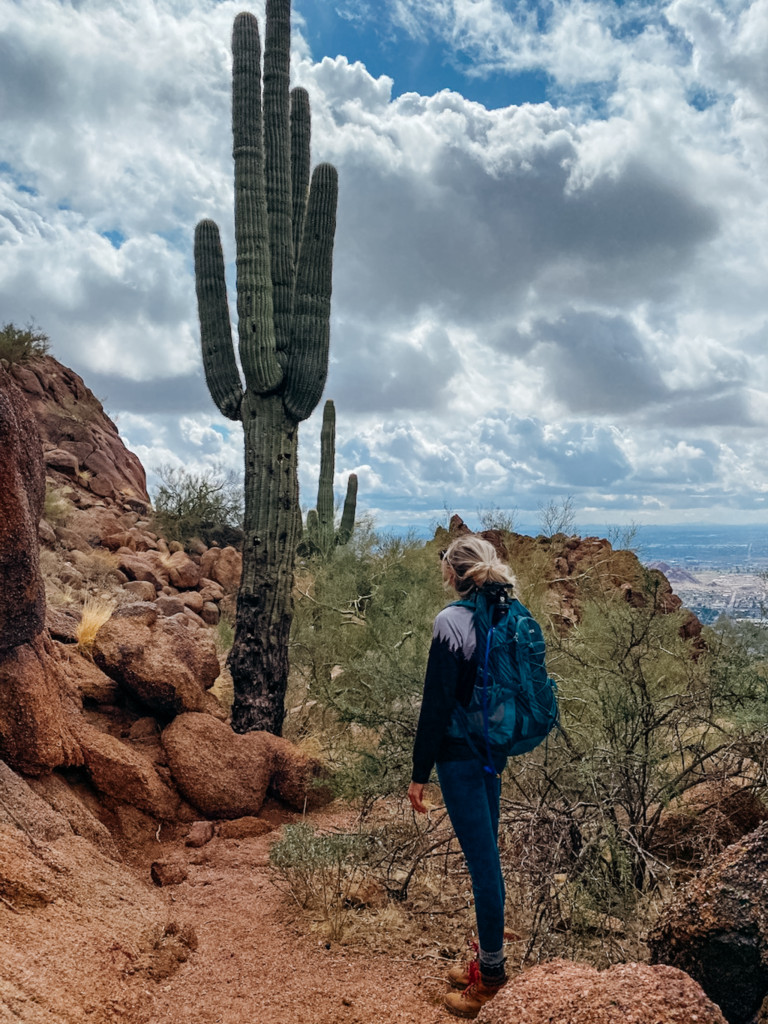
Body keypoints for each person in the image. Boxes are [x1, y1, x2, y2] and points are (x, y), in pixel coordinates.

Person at [408, 534, 515, 1020]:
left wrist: (418, 774)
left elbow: (435, 706)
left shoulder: (451, 622)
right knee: (487, 857)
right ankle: (485, 962)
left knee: (484, 867)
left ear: (454, 572)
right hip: (491, 753)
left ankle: (491, 980)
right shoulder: (506, 613)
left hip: (458, 758)